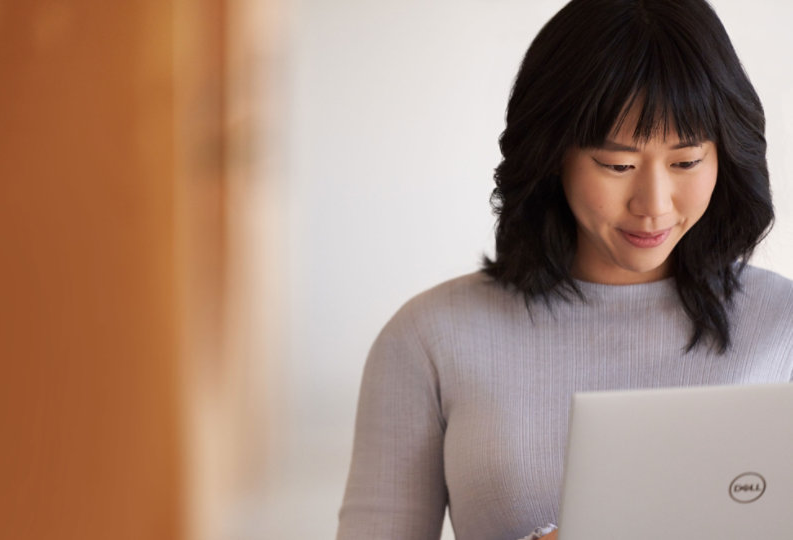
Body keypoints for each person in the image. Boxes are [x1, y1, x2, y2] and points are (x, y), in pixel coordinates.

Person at [336, 1, 793, 539]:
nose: (654, 204)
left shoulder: (782, 327)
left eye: (686, 162)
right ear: (554, 155)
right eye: (617, 165)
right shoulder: (429, 338)